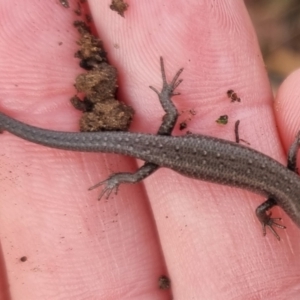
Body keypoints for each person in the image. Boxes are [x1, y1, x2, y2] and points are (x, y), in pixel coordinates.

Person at [0, 1, 299, 299]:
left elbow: (292, 152)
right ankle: (121, 176)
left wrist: (167, 96)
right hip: (162, 153)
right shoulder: (272, 198)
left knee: (167, 122)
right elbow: (261, 210)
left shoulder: (288, 173)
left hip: (164, 144)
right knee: (138, 173)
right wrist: (267, 220)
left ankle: (162, 102)